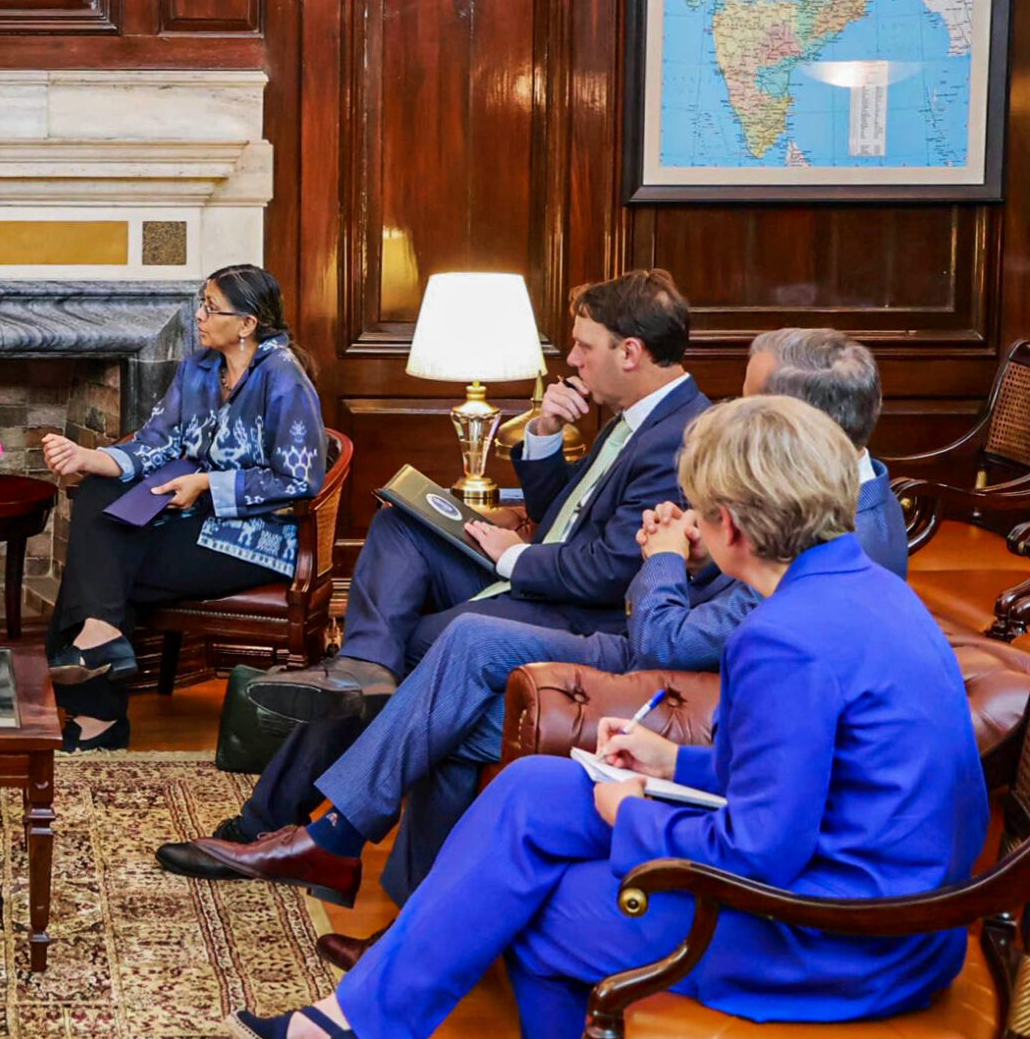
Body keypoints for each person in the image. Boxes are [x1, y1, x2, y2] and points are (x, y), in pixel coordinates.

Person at [238, 395, 988, 1039]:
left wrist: (631, 811)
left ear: (727, 525)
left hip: (839, 938)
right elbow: (805, 775)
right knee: (534, 784)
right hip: (893, 912)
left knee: (533, 913)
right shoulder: (874, 584)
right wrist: (673, 765)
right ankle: (355, 1018)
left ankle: (364, 1017)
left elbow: (761, 853)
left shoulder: (780, 638)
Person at [163, 327, 908, 945]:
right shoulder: (818, 494)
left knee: (449, 682)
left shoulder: (846, 533)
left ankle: (349, 864)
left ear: (795, 420)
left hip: (659, 668)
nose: (736, 406)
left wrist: (666, 560)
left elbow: (672, 644)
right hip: (640, 636)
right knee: (460, 651)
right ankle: (373, 881)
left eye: (752, 395)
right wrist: (694, 547)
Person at [209, 270, 708, 841]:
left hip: (573, 612)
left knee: (415, 645)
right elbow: (565, 514)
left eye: (583, 346)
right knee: (401, 524)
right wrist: (544, 431)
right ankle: (359, 669)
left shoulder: (678, 435)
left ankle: (270, 820)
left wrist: (513, 558)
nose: (571, 359)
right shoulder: (634, 415)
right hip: (538, 577)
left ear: (630, 352)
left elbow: (609, 572)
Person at [39, 264, 325, 751]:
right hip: (191, 518)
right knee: (96, 494)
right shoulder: (198, 369)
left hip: (257, 536)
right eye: (202, 304)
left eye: (211, 308)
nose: (199, 316)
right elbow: (155, 442)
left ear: (248, 323)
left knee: (105, 568)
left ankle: (99, 713)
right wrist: (90, 457)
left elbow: (299, 480)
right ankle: (102, 638)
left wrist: (208, 484)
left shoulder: (284, 378)